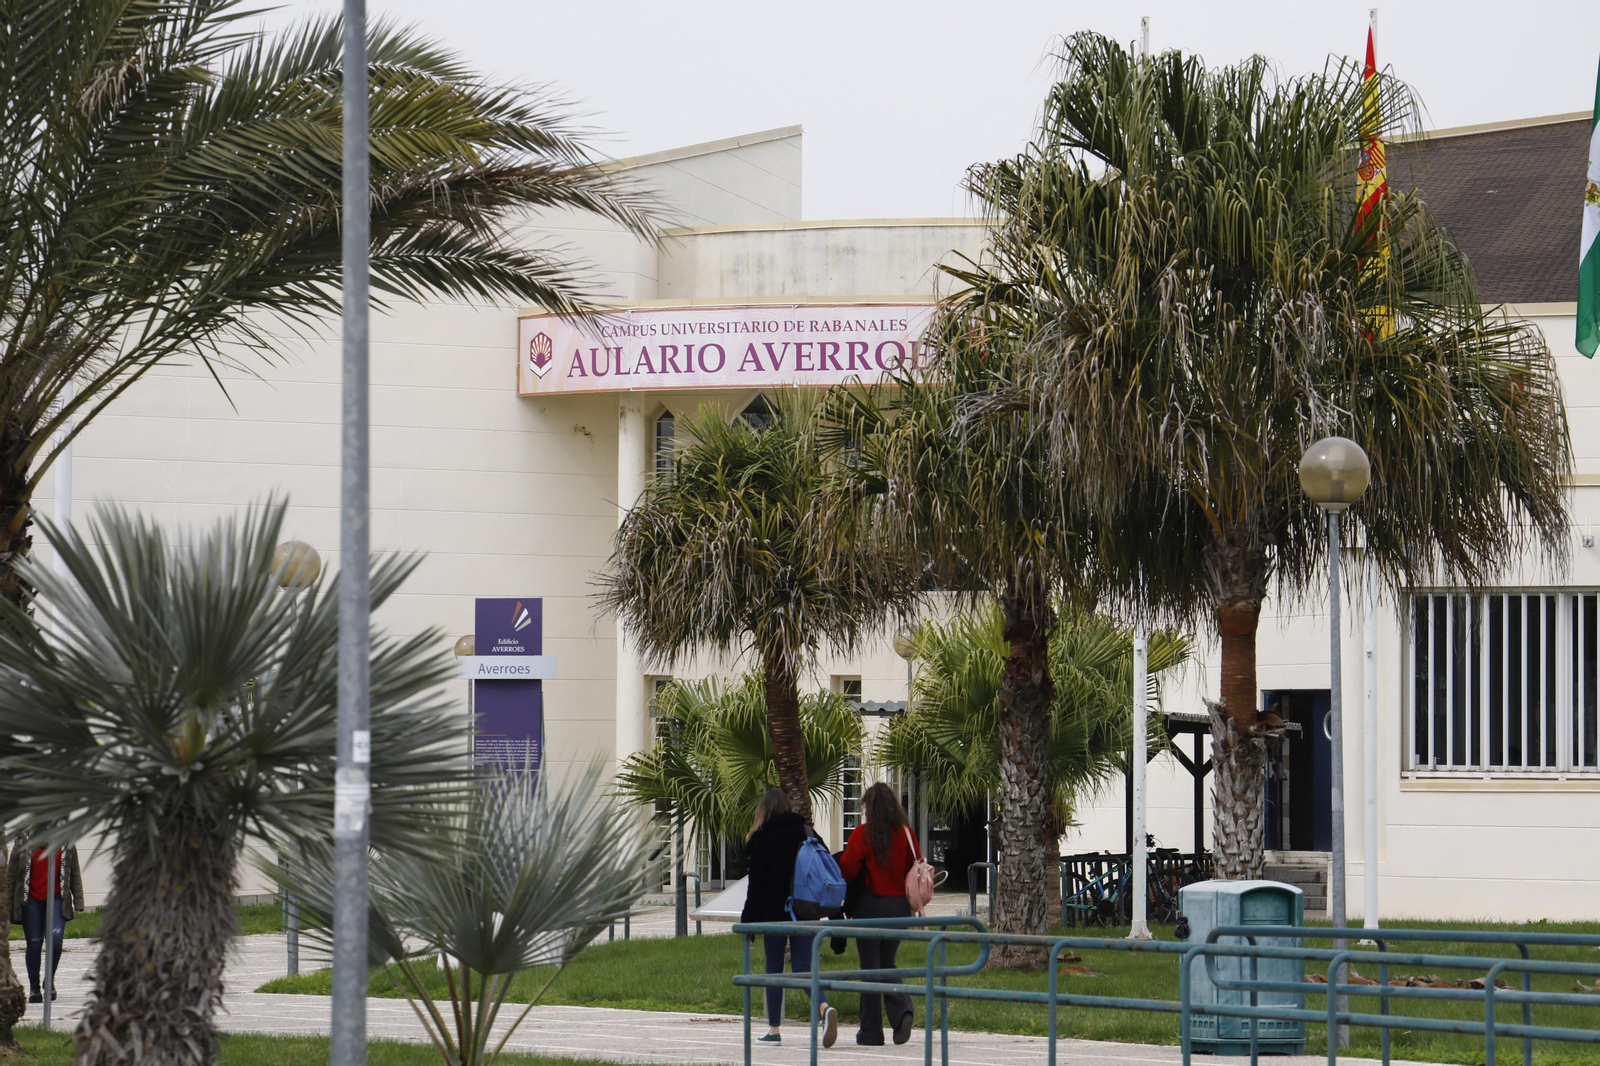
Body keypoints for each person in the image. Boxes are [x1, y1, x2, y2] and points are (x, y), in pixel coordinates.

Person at [740, 788, 838, 1048]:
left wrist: (748, 926)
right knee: (804, 969)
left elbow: (756, 889)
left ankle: (774, 1030)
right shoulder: (806, 831)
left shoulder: (763, 839)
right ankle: (824, 1007)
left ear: (764, 810)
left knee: (774, 970)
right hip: (806, 909)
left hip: (775, 914)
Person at [838, 782, 919, 1046]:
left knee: (870, 969)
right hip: (899, 907)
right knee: (888, 962)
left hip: (869, 906)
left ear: (869, 807)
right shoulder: (906, 833)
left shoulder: (863, 834)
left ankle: (871, 1031)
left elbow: (848, 869)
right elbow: (915, 865)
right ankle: (902, 1011)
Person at [7, 833, 85, 1004]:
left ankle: (49, 981)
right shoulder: (23, 841)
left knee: (56, 940)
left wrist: (78, 900)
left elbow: (74, 872)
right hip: (31, 900)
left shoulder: (66, 839)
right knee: (34, 942)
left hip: (57, 899)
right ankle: (34, 988)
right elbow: (11, 875)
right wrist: (7, 903)